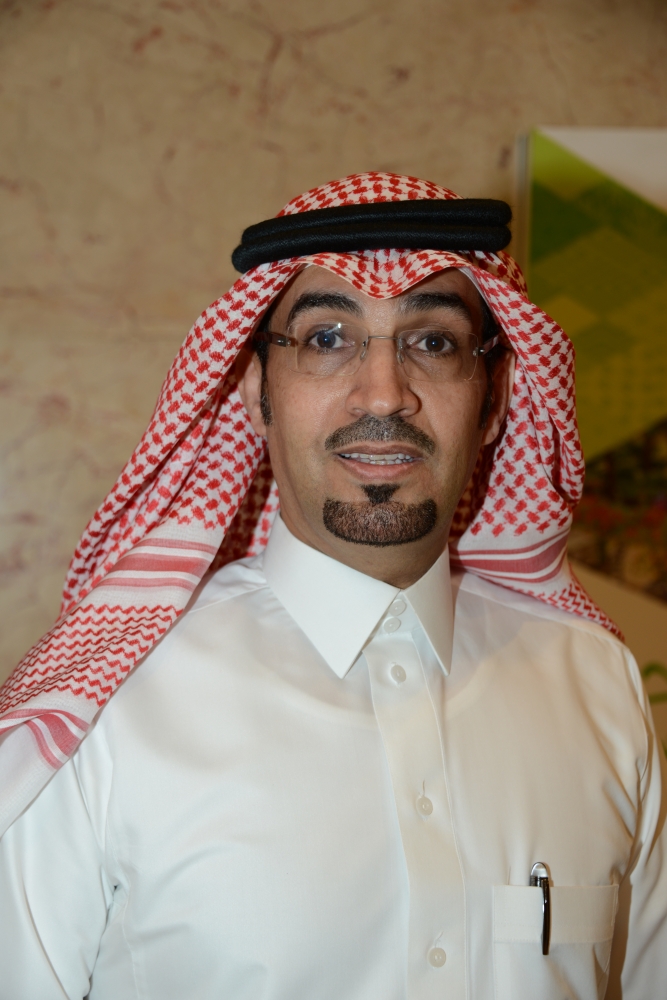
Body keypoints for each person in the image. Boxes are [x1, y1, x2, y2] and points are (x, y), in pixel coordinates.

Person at [0, 173, 664, 1000]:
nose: (383, 393)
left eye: (433, 342)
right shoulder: (106, 714)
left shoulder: (594, 684)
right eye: (325, 338)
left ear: (493, 399)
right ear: (256, 394)